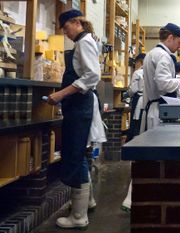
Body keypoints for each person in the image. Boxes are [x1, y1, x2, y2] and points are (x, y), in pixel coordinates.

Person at [47, 9, 104, 228]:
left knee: (76, 153)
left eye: (66, 27)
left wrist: (61, 94)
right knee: (77, 152)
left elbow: (92, 75)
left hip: (80, 105)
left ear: (76, 22)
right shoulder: (82, 41)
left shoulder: (85, 42)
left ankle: (79, 217)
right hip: (78, 106)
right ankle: (86, 202)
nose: (65, 32)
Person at [139, 23, 180, 133]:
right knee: (157, 147)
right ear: (170, 38)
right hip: (159, 110)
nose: (179, 46)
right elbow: (164, 84)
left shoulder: (152, 53)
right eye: (179, 42)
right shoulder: (163, 56)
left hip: (153, 108)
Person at [127, 53, 146, 141]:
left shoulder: (137, 72)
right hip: (147, 100)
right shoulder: (150, 72)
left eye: (136, 62)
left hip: (138, 98)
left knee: (135, 123)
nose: (135, 64)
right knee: (143, 122)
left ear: (140, 62)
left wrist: (128, 94)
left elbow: (133, 90)